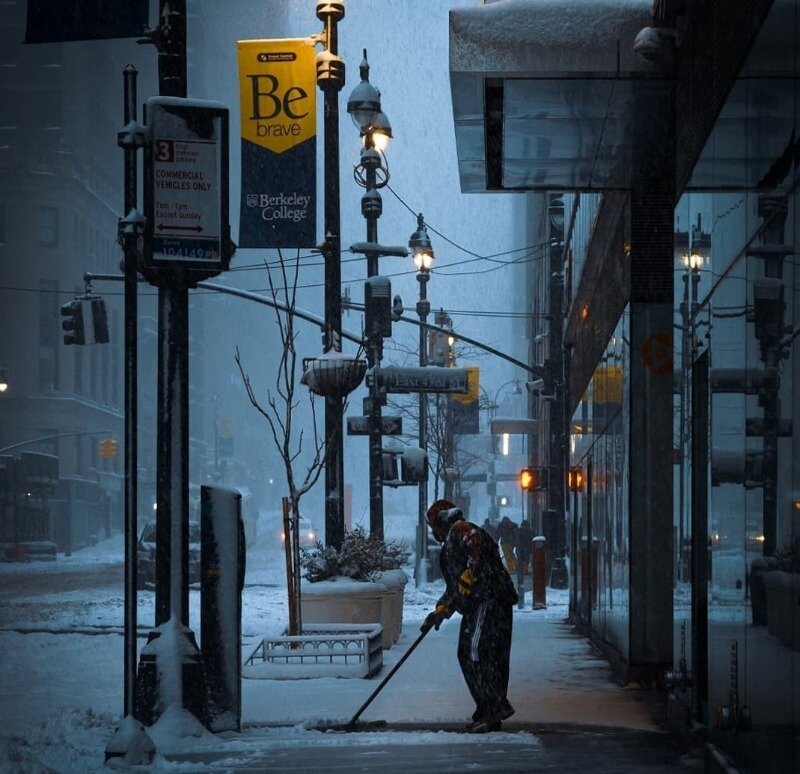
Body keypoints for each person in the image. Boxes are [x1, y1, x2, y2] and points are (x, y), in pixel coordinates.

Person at [422, 499, 518, 733]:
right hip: (481, 602)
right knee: (472, 653)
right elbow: (457, 587)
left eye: (432, 526)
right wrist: (440, 610)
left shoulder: (461, 529)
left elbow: (474, 544)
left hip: (489, 599)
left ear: (440, 522)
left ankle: (493, 707)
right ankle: (489, 709)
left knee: (477, 652)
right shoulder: (452, 541)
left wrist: (471, 573)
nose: (432, 532)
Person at [516, 518, 534, 607]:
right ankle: (524, 571)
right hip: (525, 548)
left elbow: (518, 540)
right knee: (525, 561)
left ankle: (522, 571)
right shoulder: (530, 532)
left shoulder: (520, 531)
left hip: (522, 549)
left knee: (522, 561)